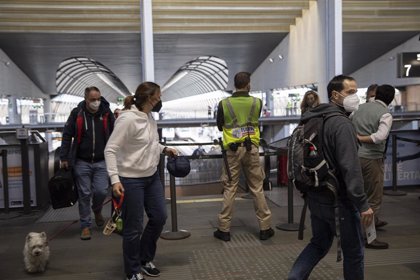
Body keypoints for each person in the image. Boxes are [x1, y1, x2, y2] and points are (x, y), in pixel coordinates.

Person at [288, 75, 374, 280]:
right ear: (335, 95)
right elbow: (350, 168)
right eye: (350, 92)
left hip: (315, 194)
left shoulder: (312, 117)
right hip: (339, 200)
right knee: (354, 253)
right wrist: (362, 204)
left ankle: (294, 278)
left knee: (319, 243)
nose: (356, 97)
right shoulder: (341, 124)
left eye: (356, 91)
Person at [104, 82, 177, 280]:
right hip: (130, 179)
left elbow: (149, 142)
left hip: (151, 176)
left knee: (159, 217)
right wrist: (115, 180)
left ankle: (145, 259)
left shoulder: (149, 116)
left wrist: (164, 149)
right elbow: (110, 149)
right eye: (158, 97)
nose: (160, 100)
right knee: (133, 228)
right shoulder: (127, 120)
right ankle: (132, 270)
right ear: (149, 98)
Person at [214, 71, 274, 241]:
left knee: (230, 187)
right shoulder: (257, 102)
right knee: (257, 187)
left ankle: (224, 229)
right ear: (248, 84)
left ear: (235, 84)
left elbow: (220, 126)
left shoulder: (224, 103)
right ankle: (265, 227)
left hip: (232, 151)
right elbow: (255, 119)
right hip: (251, 148)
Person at [60, 86, 115, 240]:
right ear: (86, 99)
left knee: (101, 191)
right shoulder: (77, 113)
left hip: (101, 161)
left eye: (98, 99)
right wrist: (64, 157)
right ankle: (85, 225)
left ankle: (97, 209)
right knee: (84, 194)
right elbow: (67, 135)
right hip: (81, 161)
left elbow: (115, 132)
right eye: (93, 100)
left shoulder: (106, 113)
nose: (96, 102)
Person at [352, 84, 395, 250]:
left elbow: (349, 125)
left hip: (354, 158)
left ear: (376, 94)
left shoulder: (359, 108)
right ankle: (368, 238)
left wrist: (356, 138)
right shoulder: (385, 114)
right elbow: (380, 137)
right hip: (372, 159)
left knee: (356, 195)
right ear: (390, 99)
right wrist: (362, 138)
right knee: (373, 199)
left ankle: (353, 232)